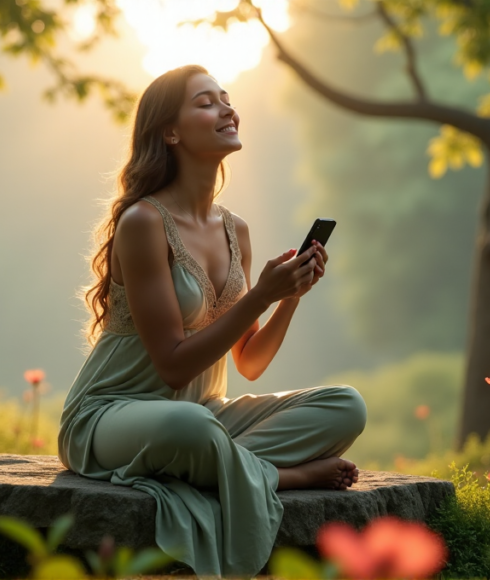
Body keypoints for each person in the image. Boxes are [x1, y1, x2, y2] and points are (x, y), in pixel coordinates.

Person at [58, 64, 367, 578]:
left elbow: (249, 362)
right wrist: (259, 296)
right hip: (111, 415)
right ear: (170, 132)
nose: (226, 108)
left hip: (202, 418)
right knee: (191, 424)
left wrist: (289, 295)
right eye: (206, 102)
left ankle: (223, 468)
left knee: (345, 406)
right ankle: (285, 476)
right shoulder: (142, 222)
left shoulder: (234, 230)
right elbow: (173, 366)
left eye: (226, 98)